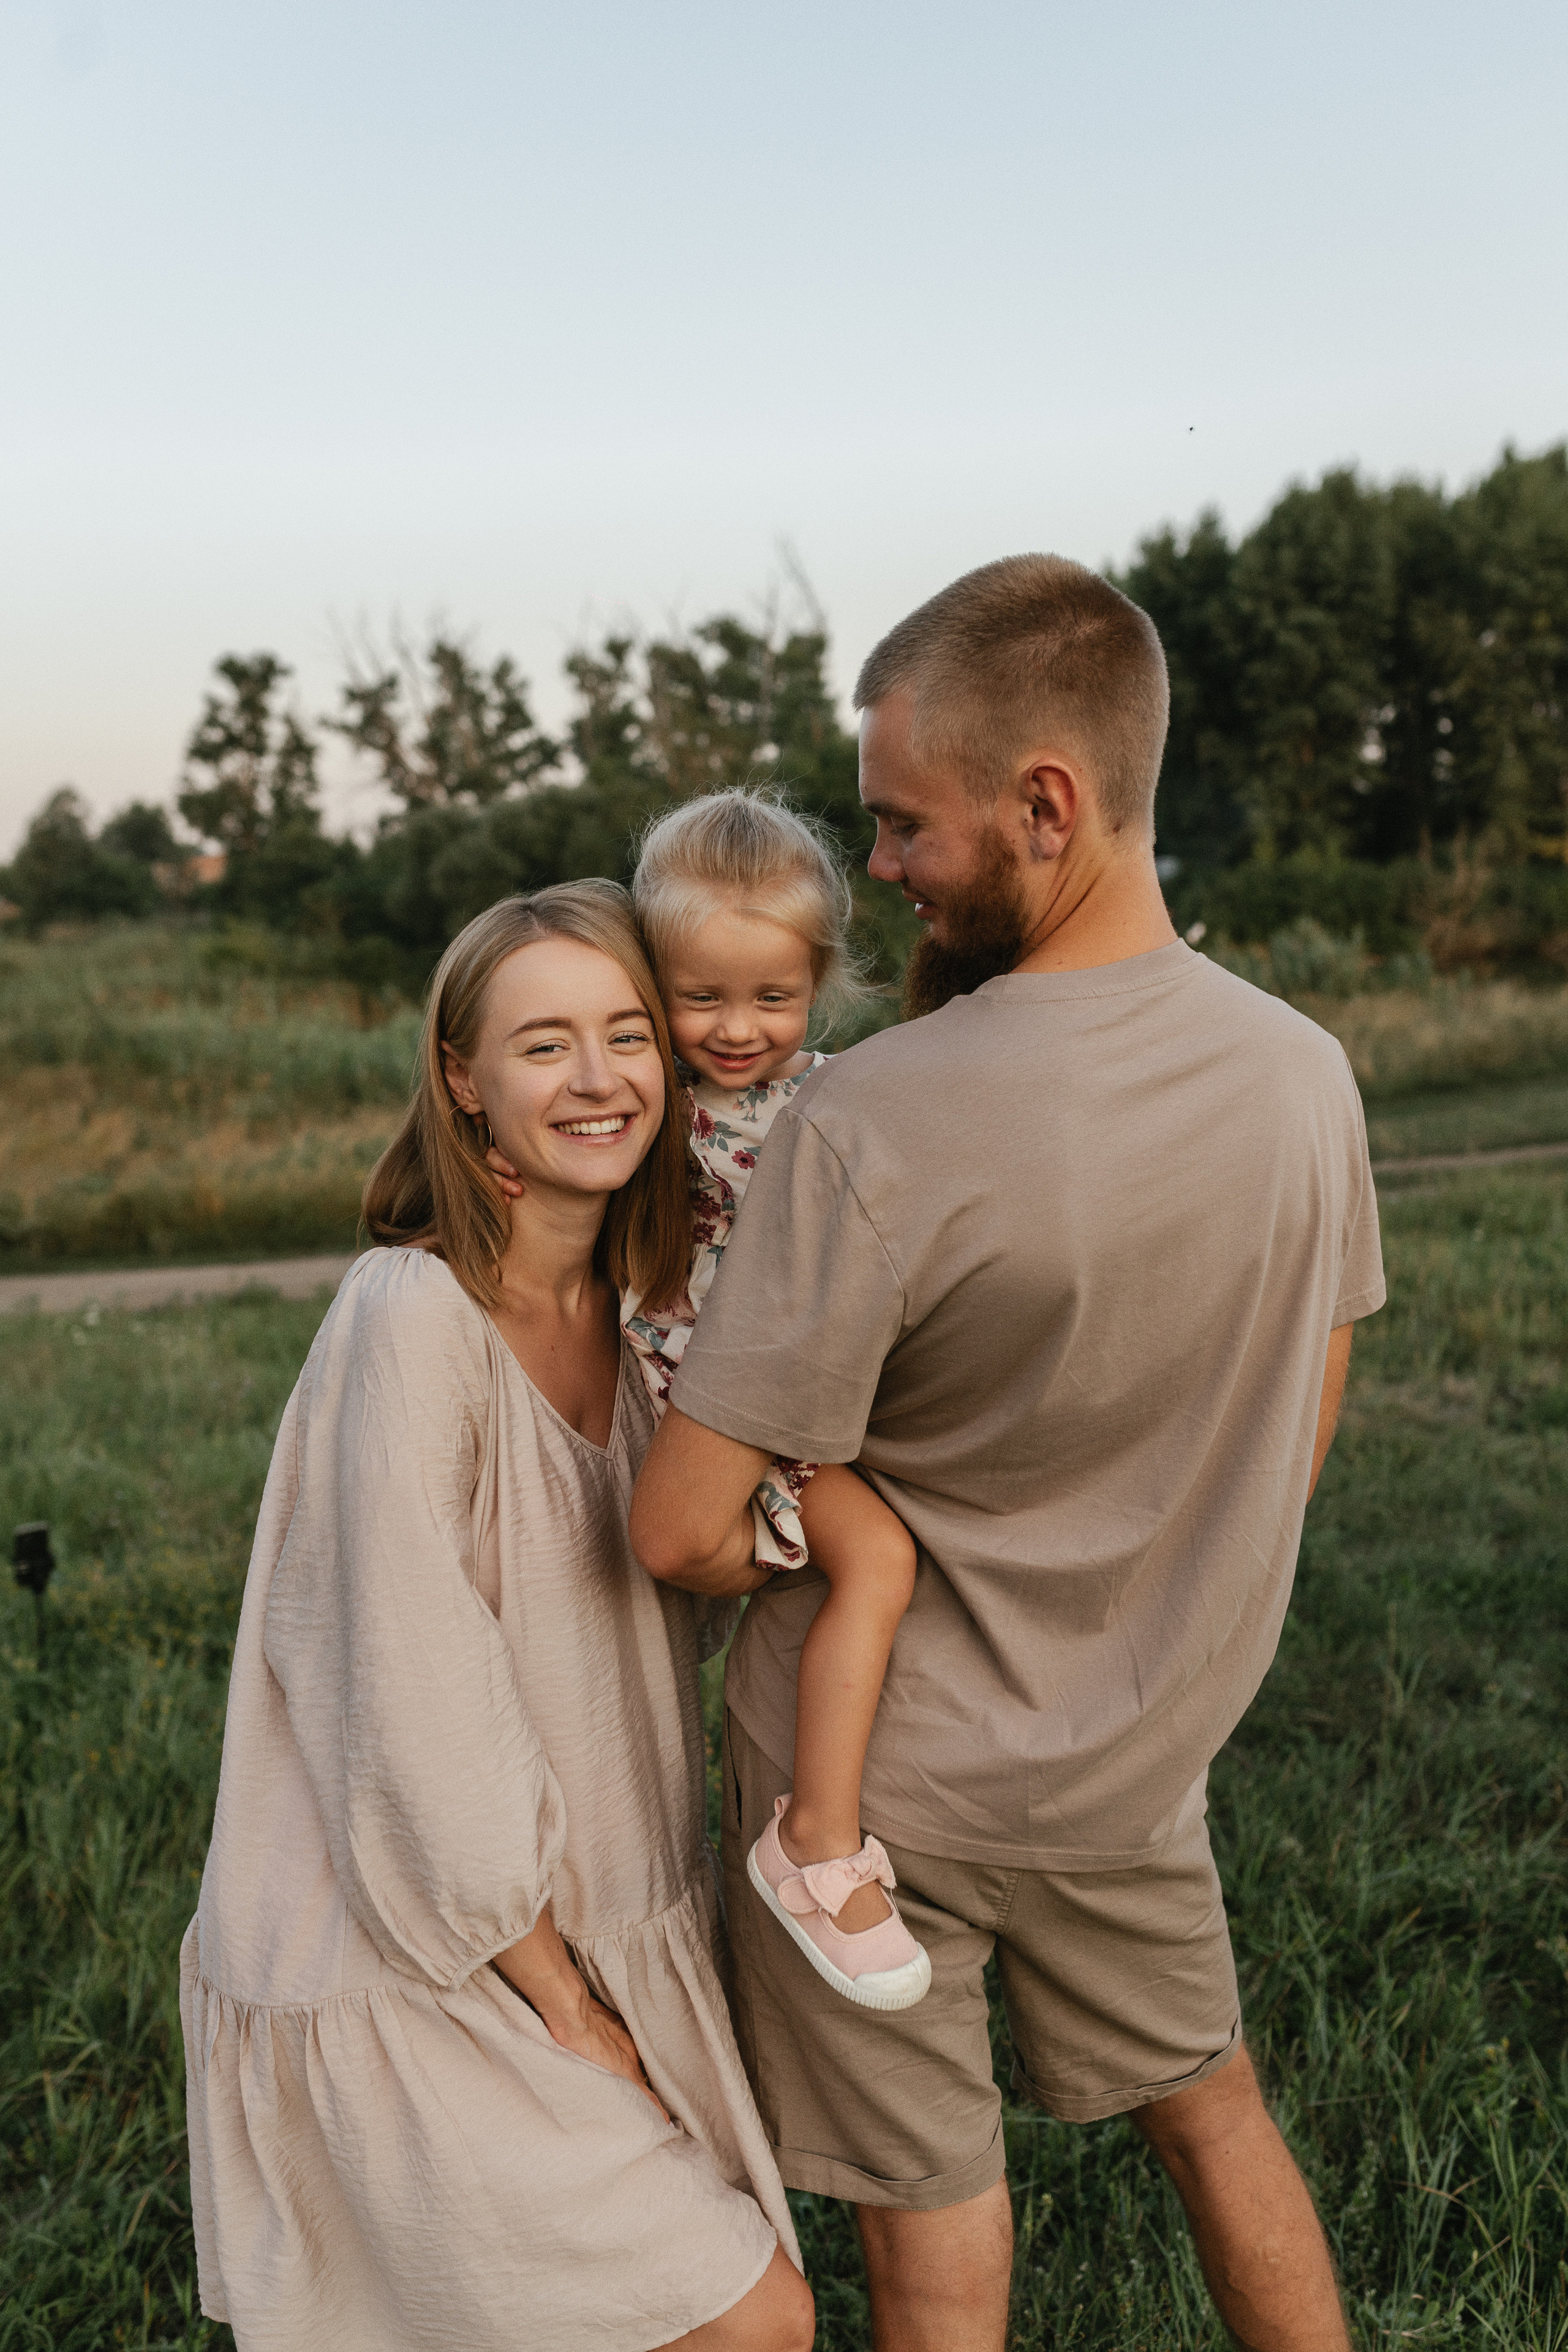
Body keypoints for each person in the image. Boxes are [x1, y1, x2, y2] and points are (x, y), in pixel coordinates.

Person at [630, 557, 1385, 2352]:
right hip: (1136, 1759)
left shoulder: (878, 1113)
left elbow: (677, 1528)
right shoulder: (1309, 1076)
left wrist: (839, 1538)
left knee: (933, 2230)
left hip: (868, 1803)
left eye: (903, 825)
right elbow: (1294, 1445)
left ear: (1044, 804)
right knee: (1217, 2117)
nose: (876, 868)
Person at [179, 884, 813, 2352]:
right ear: (463, 1078)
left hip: (596, 1902)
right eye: (544, 1045)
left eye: (628, 1034)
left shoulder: (658, 1320)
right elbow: (408, 1693)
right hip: (428, 1942)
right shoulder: (409, 1318)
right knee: (752, 2324)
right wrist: (566, 2005)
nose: (598, 1080)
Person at [493, 792, 931, 2010]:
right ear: (647, 985)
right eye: (700, 999)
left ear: (822, 982)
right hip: (729, 1415)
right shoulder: (641, 1109)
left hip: (809, 1394)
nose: (736, 1030)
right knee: (878, 1563)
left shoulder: (848, 1095)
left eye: (771, 998)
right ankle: (816, 1846)